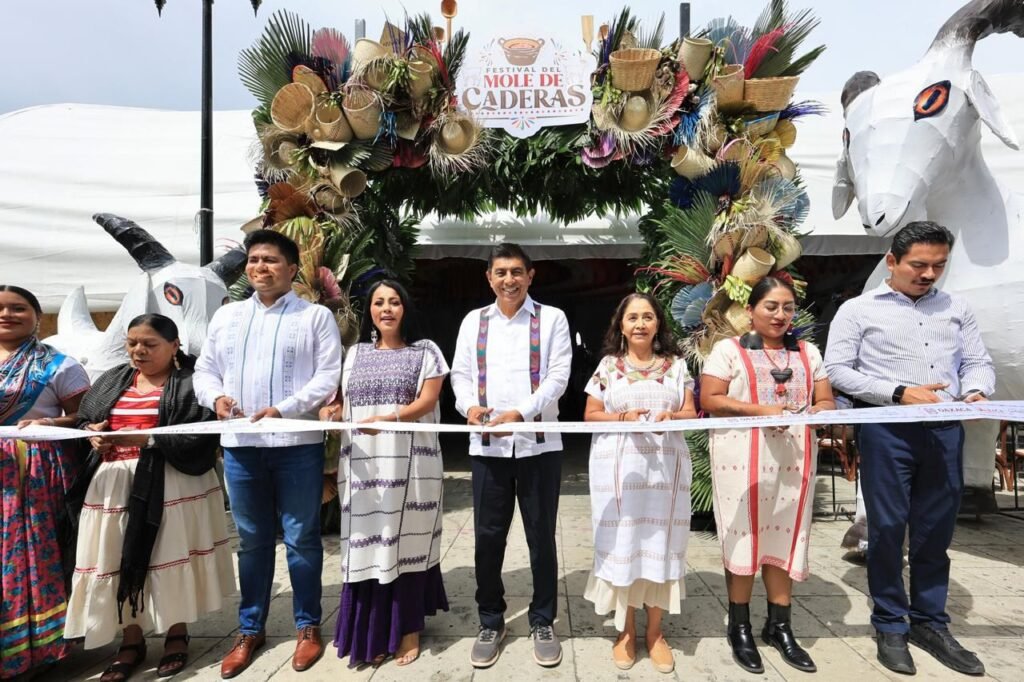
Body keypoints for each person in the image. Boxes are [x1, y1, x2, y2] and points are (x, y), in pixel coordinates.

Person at [825, 221, 994, 677]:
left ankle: (930, 622)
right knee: (886, 529)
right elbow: (837, 370)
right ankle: (889, 624)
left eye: (939, 265)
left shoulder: (957, 307)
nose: (929, 274)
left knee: (935, 531)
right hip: (886, 430)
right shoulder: (858, 310)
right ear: (892, 262)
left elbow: (977, 361)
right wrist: (899, 393)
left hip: (945, 430)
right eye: (918, 264)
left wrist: (976, 390)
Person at [194, 230, 342, 678]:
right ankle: (249, 629)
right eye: (254, 259)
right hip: (241, 448)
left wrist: (285, 409)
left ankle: (307, 626)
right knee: (253, 541)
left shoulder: (314, 316)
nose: (260, 267)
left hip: (296, 445)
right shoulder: (227, 317)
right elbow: (205, 370)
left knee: (302, 538)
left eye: (271, 260)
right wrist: (216, 398)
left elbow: (327, 376)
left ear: (292, 269)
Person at [64, 313, 234, 681]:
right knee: (115, 557)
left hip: (172, 483)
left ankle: (176, 633)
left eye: (149, 344)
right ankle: (131, 640)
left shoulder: (192, 383)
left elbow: (202, 434)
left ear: (174, 346)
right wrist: (93, 432)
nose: (139, 351)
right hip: (113, 485)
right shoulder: (113, 379)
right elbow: (85, 418)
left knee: (168, 557)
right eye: (132, 343)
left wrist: (148, 439)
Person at [700, 276, 835, 675]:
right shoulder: (728, 350)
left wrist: (822, 412)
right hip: (741, 460)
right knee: (744, 536)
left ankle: (780, 626)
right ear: (751, 310)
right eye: (771, 307)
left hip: (794, 460)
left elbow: (825, 399)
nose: (780, 315)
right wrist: (761, 411)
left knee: (785, 535)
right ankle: (739, 626)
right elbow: (710, 399)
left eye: (787, 308)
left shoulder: (808, 353)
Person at [450, 243, 572, 669]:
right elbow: (460, 374)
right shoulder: (474, 321)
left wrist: (521, 412)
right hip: (488, 447)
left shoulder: (551, 319)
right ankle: (490, 620)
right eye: (500, 272)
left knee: (541, 537)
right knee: (487, 538)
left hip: (539, 445)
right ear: (489, 278)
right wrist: (468, 406)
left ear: (530, 276)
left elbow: (558, 376)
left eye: (517, 272)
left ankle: (543, 619)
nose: (509, 280)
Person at [323, 280, 450, 668]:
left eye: (394, 302)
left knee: (406, 541)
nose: (387, 309)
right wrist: (331, 411)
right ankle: (373, 629)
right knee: (366, 542)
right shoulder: (354, 353)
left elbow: (428, 401)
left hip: (412, 465)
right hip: (363, 466)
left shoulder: (426, 351)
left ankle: (407, 627)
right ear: (371, 312)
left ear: (405, 308)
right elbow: (341, 401)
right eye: (379, 303)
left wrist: (389, 419)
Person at [582, 293, 695, 674]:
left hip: (665, 472)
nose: (641, 324)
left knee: (661, 544)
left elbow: (691, 412)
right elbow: (591, 414)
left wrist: (672, 416)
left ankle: (656, 632)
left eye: (648, 316)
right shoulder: (607, 367)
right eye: (633, 317)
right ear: (621, 325)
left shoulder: (677, 366)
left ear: (658, 323)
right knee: (625, 544)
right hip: (620, 474)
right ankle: (626, 631)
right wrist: (622, 417)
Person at [0, 286, 89, 680]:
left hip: (34, 473)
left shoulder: (59, 365)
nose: (7, 314)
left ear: (37, 316)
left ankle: (37, 649)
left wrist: (49, 422)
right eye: (0, 308)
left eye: (18, 308)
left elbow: (87, 417)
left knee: (29, 556)